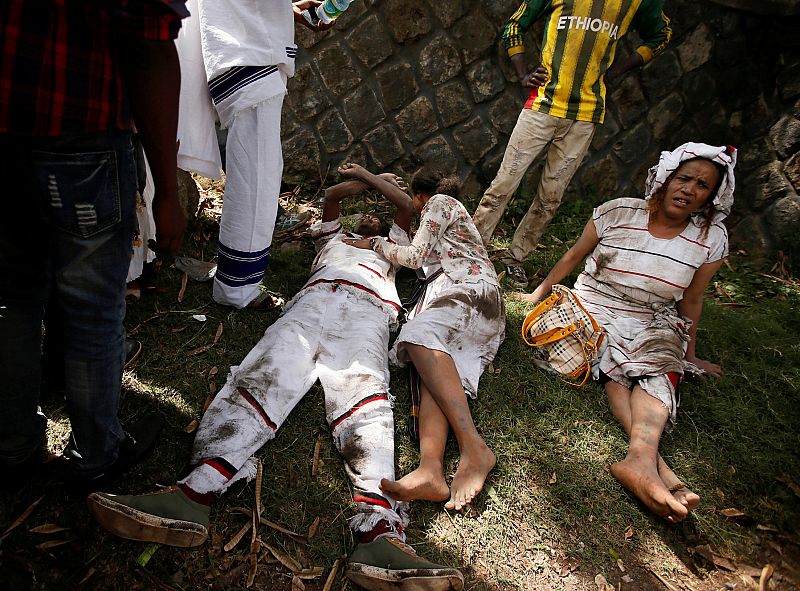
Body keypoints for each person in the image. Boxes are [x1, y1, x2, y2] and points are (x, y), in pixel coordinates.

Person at [87, 168, 465, 591]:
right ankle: (193, 494)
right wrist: (367, 177)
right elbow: (336, 192)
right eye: (365, 219)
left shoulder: (392, 244)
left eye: (374, 220)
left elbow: (400, 206)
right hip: (313, 301)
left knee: (366, 405)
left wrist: (373, 181)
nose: (370, 222)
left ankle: (380, 535)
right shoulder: (332, 238)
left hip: (367, 311)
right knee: (257, 381)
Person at [0, 1, 187, 490]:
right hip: (82, 140)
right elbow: (150, 46)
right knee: (92, 309)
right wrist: (167, 190)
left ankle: (13, 447)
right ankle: (96, 455)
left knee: (13, 298)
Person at [518, 143, 737, 523]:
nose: (690, 189)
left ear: (712, 197)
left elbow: (693, 299)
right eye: (684, 178)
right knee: (617, 365)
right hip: (594, 307)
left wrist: (690, 351)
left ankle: (639, 461)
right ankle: (658, 470)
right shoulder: (619, 212)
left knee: (660, 367)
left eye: (703, 185)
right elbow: (572, 256)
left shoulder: (710, 239)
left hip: (652, 318)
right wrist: (537, 294)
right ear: (666, 178)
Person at [473, 0, 672, 288]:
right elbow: (515, 25)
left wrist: (618, 70)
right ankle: (471, 249)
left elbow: (661, 35)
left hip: (586, 114)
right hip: (542, 104)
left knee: (551, 196)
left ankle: (515, 259)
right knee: (504, 183)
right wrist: (522, 72)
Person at [345, 165, 505, 512]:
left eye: (415, 202)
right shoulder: (443, 223)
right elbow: (412, 256)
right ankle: (431, 469)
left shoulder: (440, 203)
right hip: (466, 306)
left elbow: (413, 256)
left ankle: (473, 446)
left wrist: (372, 242)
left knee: (417, 337)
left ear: (420, 197)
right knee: (434, 375)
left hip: (469, 294)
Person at [174, 0, 332, 309]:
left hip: (242, 45)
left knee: (260, 170)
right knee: (257, 174)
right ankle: (236, 287)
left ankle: (237, 280)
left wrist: (291, 11)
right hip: (246, 50)